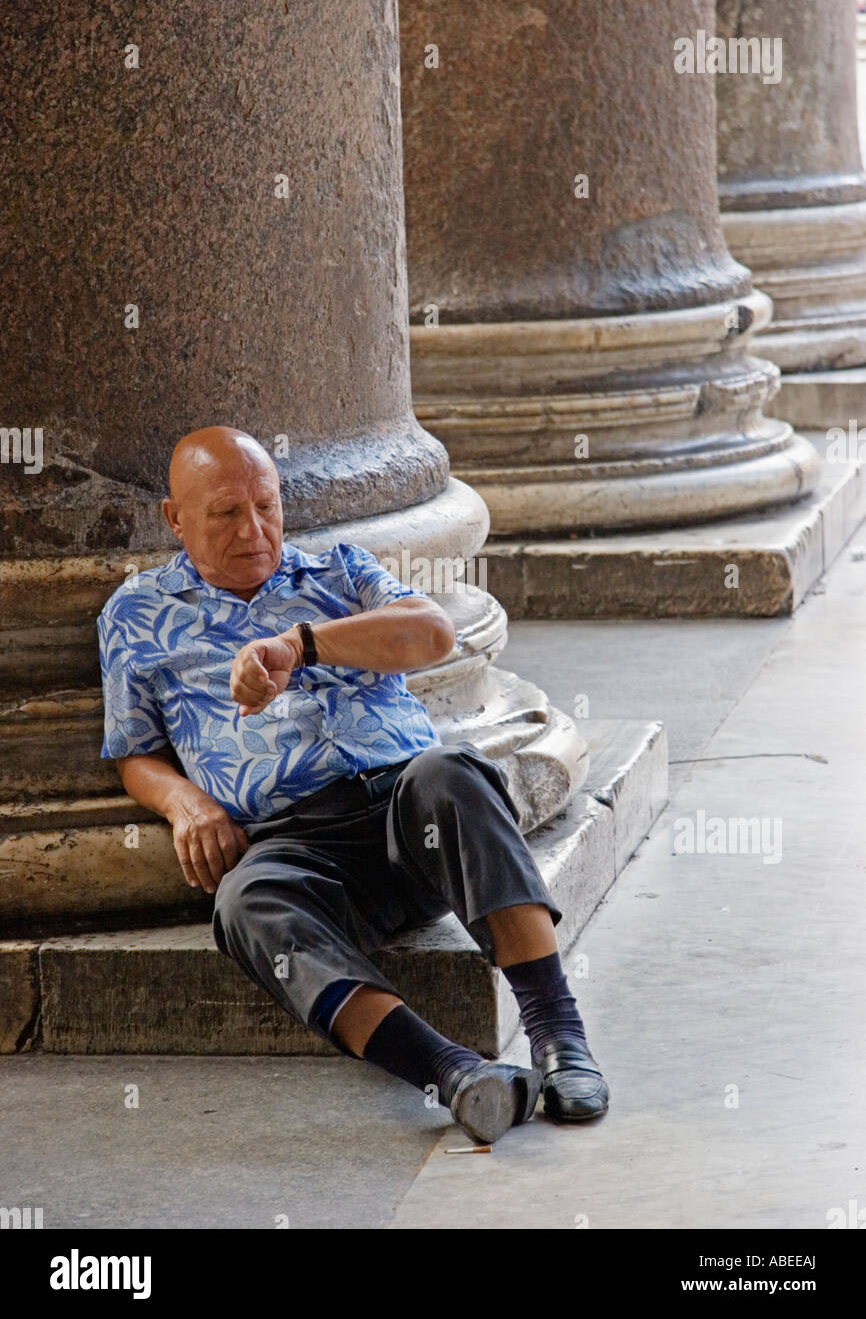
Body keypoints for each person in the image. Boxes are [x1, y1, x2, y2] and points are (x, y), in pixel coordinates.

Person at [97, 426, 609, 1144]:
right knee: (244, 901)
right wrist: (187, 803)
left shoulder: (337, 569)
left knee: (452, 771)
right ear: (174, 518)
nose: (254, 530)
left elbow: (432, 634)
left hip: (410, 813)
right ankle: (455, 1074)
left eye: (266, 507)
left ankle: (560, 1037)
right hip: (297, 844)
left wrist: (300, 645)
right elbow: (134, 751)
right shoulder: (135, 615)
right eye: (225, 514)